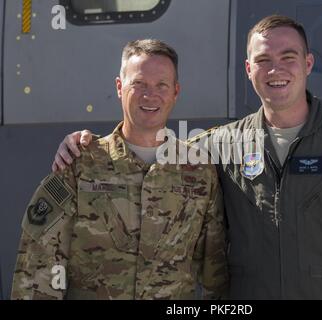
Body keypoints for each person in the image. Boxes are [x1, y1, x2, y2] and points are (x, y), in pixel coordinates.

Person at [51, 15, 322, 299]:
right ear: (248, 69)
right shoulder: (221, 144)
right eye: (263, 60)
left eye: (288, 58)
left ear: (308, 63)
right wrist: (88, 144)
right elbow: (150, 146)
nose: (275, 70)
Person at [11, 39, 228, 300]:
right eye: (139, 84)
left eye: (162, 85)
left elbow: (215, 274)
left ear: (175, 92)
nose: (150, 95)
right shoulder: (79, 163)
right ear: (119, 87)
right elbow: (39, 263)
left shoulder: (199, 172)